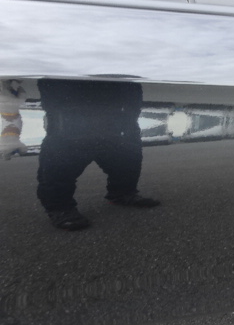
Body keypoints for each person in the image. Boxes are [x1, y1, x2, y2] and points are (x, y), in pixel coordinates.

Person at [36, 78, 159, 230]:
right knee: (65, 146)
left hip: (121, 79)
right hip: (70, 77)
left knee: (127, 148)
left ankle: (123, 192)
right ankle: (60, 208)